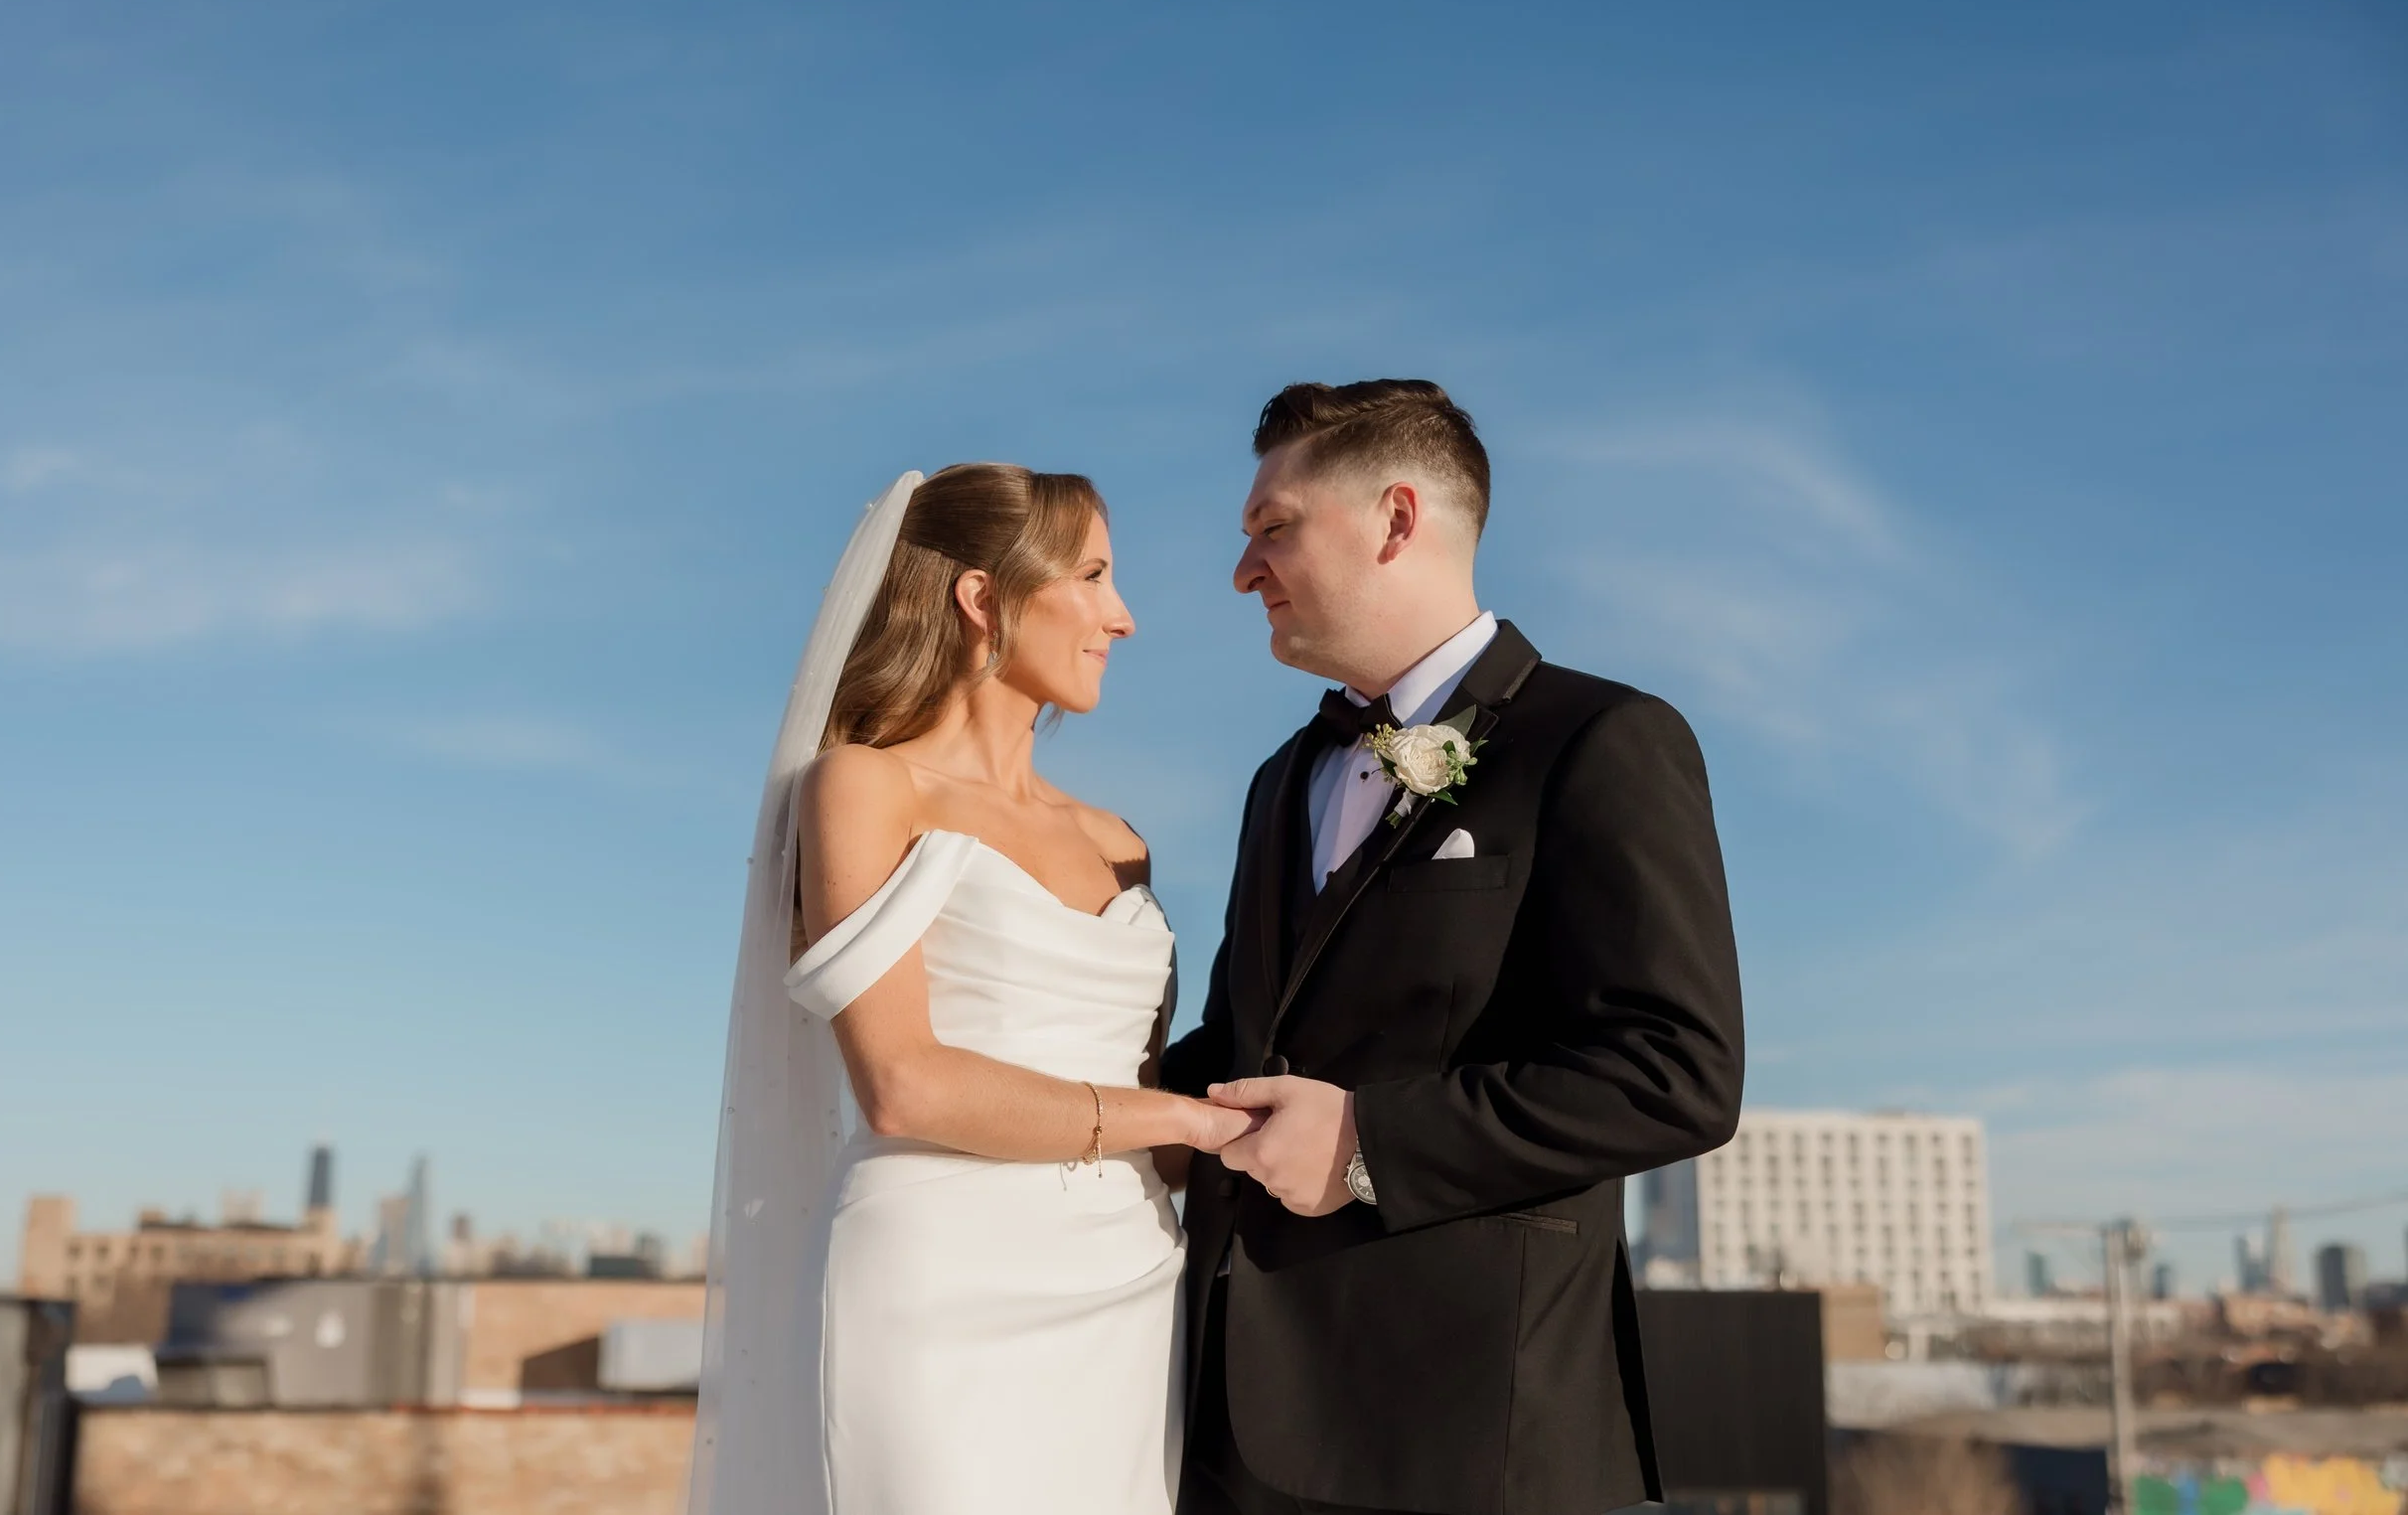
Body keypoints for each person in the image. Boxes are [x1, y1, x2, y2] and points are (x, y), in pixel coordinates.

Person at [1162, 379, 1747, 1515]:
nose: (1243, 571)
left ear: (1395, 520)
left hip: (1466, 1433)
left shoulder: (1602, 738)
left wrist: (1366, 1142)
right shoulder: (1282, 777)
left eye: (1272, 528)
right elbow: (1240, 1044)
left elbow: (1675, 1074)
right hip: (1227, 1424)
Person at [686, 463, 1256, 1515]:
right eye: (1093, 575)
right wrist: (1187, 1118)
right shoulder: (865, 785)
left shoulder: (1120, 842)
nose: (1123, 617)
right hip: (938, 1286)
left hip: (1130, 1284)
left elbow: (1140, 1098)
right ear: (983, 596)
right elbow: (901, 1083)